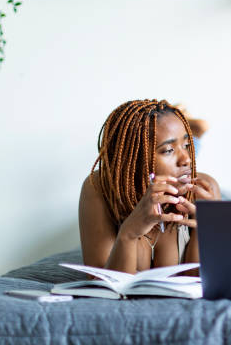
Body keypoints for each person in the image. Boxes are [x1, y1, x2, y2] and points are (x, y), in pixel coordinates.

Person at [79, 99, 221, 274]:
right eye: (168, 150)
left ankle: (195, 134)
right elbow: (102, 284)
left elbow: (197, 283)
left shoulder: (205, 189)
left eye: (186, 145)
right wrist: (128, 233)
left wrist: (207, 229)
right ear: (134, 160)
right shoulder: (98, 187)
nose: (187, 159)